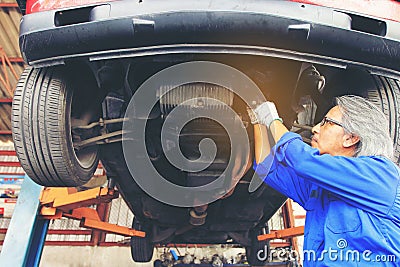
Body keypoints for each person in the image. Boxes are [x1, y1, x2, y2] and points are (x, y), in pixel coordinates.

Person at [248, 95, 400, 266]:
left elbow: (301, 160)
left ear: (351, 138)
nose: (314, 128)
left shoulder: (381, 175)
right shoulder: (321, 189)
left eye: (326, 122)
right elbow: (266, 167)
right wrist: (257, 119)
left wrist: (271, 119)